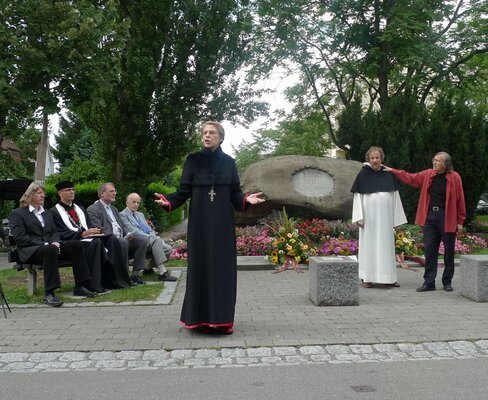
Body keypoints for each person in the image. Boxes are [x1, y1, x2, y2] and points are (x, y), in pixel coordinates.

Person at [155, 121, 265, 334]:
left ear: (221, 138)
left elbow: (235, 194)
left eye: (212, 133)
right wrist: (169, 201)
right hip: (200, 226)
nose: (207, 136)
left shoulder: (229, 162)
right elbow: (184, 191)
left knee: (222, 271)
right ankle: (198, 320)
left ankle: (221, 321)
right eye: (204, 133)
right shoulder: (192, 161)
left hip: (223, 226)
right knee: (200, 268)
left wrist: (246, 199)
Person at [383, 152, 466, 292]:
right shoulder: (428, 174)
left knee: (449, 252)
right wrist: (393, 171)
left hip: (447, 216)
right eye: (434, 160)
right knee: (430, 250)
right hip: (430, 217)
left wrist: (460, 221)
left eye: (438, 161)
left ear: (446, 164)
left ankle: (447, 282)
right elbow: (411, 178)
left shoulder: (454, 177)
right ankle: (429, 282)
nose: (434, 162)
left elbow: (460, 200)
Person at [9, 182, 96, 307]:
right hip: (31, 250)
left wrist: (56, 242)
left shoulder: (47, 214)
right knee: (50, 249)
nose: (43, 195)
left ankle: (81, 286)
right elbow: (20, 238)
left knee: (77, 245)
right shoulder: (18, 214)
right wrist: (46, 244)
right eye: (39, 193)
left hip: (50, 248)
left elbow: (54, 232)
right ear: (30, 195)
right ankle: (49, 293)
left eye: (43, 193)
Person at [50, 180, 131, 291]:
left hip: (88, 238)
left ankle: (115, 280)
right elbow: (60, 233)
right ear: (60, 193)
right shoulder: (54, 212)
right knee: (96, 243)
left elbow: (89, 225)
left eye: (73, 190)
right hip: (72, 241)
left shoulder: (81, 209)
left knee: (111, 240)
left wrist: (94, 231)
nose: (71, 192)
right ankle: (95, 284)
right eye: (68, 190)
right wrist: (82, 234)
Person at [351, 147, 407, 288]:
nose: (375, 161)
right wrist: (359, 218)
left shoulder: (388, 175)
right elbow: (358, 197)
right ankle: (367, 278)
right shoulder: (363, 175)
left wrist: (396, 219)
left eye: (377, 158)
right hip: (369, 221)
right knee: (369, 248)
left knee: (386, 247)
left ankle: (389, 278)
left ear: (382, 159)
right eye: (372, 158)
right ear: (368, 159)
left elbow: (395, 197)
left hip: (386, 220)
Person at [87, 182, 148, 286]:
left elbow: (121, 226)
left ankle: (135, 274)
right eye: (111, 191)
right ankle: (123, 278)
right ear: (102, 193)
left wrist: (128, 234)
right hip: (108, 242)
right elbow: (97, 228)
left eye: (115, 191)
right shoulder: (93, 209)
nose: (115, 193)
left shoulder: (114, 209)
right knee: (123, 242)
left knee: (142, 241)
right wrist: (117, 236)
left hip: (122, 239)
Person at [120, 193, 177, 282]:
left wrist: (153, 236)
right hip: (137, 242)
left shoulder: (140, 214)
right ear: (127, 203)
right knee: (156, 241)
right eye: (133, 202)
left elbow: (149, 229)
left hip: (150, 240)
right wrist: (152, 237)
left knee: (168, 249)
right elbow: (133, 231)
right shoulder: (122, 215)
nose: (136, 204)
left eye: (138, 203)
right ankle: (163, 273)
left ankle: (148, 267)